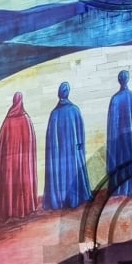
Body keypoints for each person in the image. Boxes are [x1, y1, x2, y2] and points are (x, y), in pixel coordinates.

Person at [43, 81, 93, 210]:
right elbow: (80, 132)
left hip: (60, 156)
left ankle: (61, 199)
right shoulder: (74, 110)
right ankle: (75, 198)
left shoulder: (54, 114)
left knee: (63, 173)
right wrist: (80, 148)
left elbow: (50, 140)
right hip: (73, 152)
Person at [0, 92, 38, 222]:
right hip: (22, 164)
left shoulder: (7, 121)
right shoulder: (26, 119)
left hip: (9, 164)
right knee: (21, 180)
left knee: (10, 182)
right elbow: (31, 145)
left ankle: (8, 210)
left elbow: (1, 145)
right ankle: (24, 209)